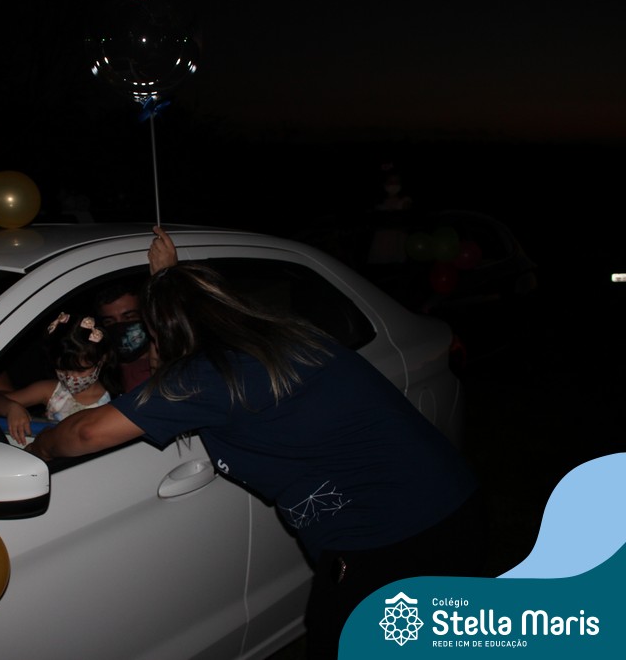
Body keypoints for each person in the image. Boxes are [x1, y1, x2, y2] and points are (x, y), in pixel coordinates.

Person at [25, 255, 487, 659]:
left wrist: (38, 448)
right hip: (456, 508)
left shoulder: (205, 376)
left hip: (389, 547)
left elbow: (86, 432)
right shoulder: (288, 336)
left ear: (167, 334)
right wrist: (169, 282)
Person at [0, 312, 120, 445]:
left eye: (80, 370)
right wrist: (10, 408)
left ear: (103, 358)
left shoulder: (116, 401)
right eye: (62, 369)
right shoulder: (50, 391)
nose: (71, 377)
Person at [92, 225, 179, 392]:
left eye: (129, 317)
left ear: (146, 316)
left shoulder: (166, 363)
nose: (119, 327)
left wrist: (166, 277)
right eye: (110, 321)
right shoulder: (102, 372)